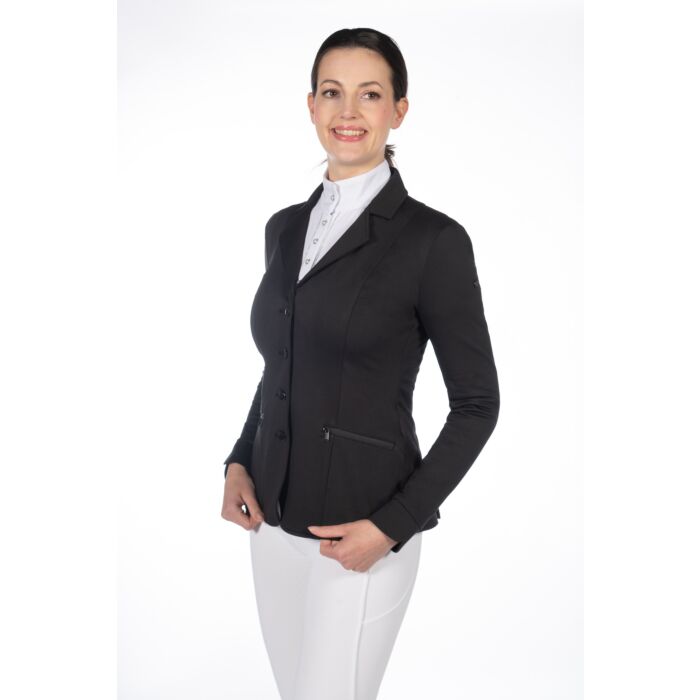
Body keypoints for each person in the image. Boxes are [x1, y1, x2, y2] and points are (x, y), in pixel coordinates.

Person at [220, 27, 500, 700]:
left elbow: (477, 405)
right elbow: (283, 362)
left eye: (369, 95)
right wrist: (238, 458)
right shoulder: (284, 228)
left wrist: (392, 525)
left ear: (398, 110)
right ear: (311, 105)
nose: (348, 112)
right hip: (272, 523)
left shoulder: (433, 241)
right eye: (332, 93)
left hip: (362, 531)